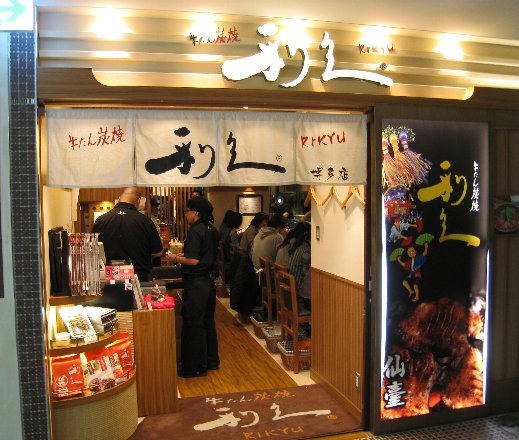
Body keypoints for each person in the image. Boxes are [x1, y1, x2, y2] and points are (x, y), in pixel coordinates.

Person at [166, 196, 220, 378]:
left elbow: (194, 260)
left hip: (196, 284)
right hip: (208, 283)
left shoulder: (196, 231)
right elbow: (203, 255)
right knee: (208, 322)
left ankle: (195, 367)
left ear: (196, 213)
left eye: (187, 211)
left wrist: (174, 257)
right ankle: (212, 361)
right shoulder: (211, 229)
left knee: (193, 324)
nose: (186, 215)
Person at [92, 187, 163, 282]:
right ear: (138, 201)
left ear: (119, 199)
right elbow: (157, 252)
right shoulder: (145, 221)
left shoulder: (101, 220)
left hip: (109, 277)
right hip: (138, 277)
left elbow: (93, 250)